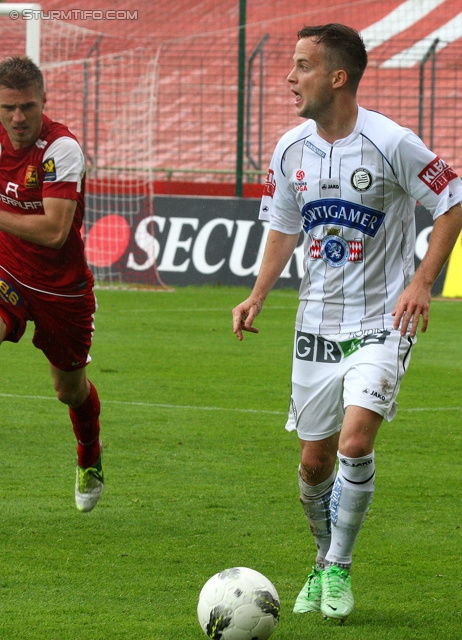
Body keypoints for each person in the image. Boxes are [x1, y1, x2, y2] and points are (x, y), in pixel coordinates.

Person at [232, 24, 462, 622]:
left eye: (302, 66)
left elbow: (453, 196)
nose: (289, 77)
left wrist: (422, 280)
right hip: (315, 326)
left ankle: (338, 568)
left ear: (337, 76)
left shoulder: (391, 141)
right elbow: (284, 226)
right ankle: (321, 556)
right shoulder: (289, 150)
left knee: (356, 442)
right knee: (314, 463)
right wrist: (257, 294)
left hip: (383, 318)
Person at [0, 56, 103, 513]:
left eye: (26, 106)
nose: (17, 118)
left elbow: (54, 231)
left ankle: (89, 454)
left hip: (62, 288)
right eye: (7, 108)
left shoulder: (61, 148)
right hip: (5, 269)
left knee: (69, 390)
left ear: (43, 102)